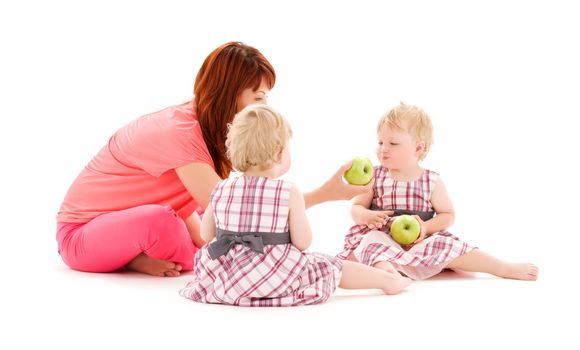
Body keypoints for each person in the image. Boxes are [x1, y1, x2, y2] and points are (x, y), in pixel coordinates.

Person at [56, 42, 370, 277]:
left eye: (265, 97)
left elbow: (222, 208)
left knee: (203, 239)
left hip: (129, 224)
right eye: (257, 96)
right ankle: (133, 257)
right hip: (80, 236)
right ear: (229, 93)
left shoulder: (208, 128)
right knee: (172, 226)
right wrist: (321, 195)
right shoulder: (179, 132)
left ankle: (134, 255)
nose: (264, 106)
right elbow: (232, 211)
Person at [179, 104, 411, 306]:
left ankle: (386, 279)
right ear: (280, 154)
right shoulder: (288, 192)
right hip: (273, 279)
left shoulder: (221, 189)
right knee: (329, 265)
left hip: (227, 279)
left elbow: (207, 234)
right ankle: (386, 281)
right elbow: (303, 242)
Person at [337, 103, 539, 281]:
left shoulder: (431, 181)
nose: (383, 149)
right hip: (383, 237)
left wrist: (425, 227)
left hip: (419, 241)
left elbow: (447, 215)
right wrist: (366, 216)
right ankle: (387, 275)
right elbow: (356, 207)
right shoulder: (375, 175)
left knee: (448, 245)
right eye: (380, 142)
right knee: (371, 242)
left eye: (393, 143)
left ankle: (502, 267)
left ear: (418, 148)